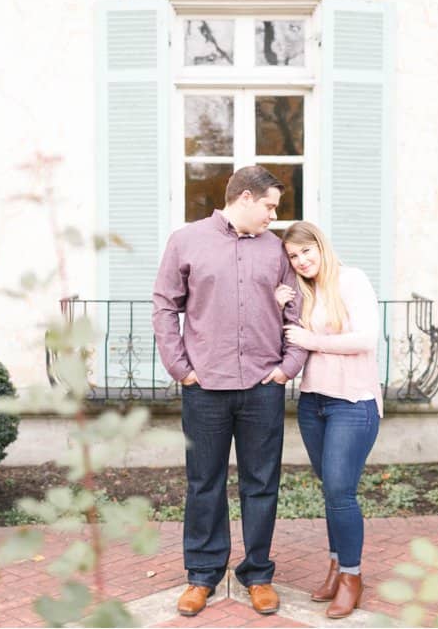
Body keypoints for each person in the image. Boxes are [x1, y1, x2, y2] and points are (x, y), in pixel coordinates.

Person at [152, 165, 308, 617]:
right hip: (205, 387)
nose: (273, 216)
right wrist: (181, 369)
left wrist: (286, 369)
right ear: (244, 198)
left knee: (262, 484)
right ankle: (202, 576)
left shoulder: (276, 251)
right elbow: (164, 306)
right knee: (205, 483)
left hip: (263, 387)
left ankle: (258, 574)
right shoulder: (186, 241)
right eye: (269, 206)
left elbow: (295, 310)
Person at [275, 220, 382, 620]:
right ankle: (337, 568)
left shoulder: (351, 280)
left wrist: (313, 341)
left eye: (306, 251)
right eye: (293, 256)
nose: (301, 261)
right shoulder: (304, 292)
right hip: (313, 404)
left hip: (352, 403)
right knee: (331, 493)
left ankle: (352, 578)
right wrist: (276, 305)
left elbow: (366, 339)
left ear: (320, 246)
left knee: (340, 492)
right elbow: (283, 341)